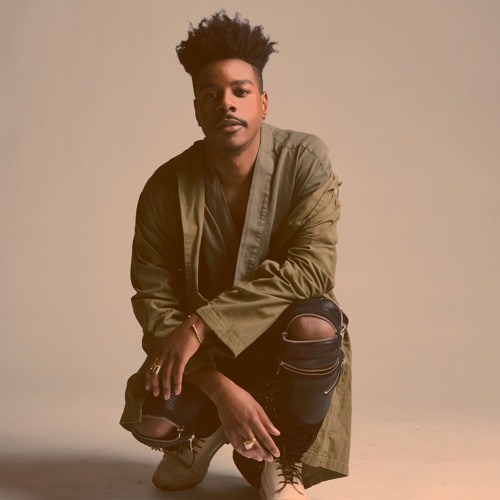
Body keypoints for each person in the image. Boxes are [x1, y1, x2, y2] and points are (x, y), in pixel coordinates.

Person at [120, 10, 352, 500]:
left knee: (317, 326)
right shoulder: (165, 187)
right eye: (211, 94)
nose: (226, 102)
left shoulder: (304, 159)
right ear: (197, 110)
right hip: (206, 359)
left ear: (262, 103)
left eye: (240, 91)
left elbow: (311, 269)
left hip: (280, 350)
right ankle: (204, 432)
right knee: (154, 422)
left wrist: (201, 324)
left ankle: (283, 456)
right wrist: (220, 389)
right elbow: (152, 298)